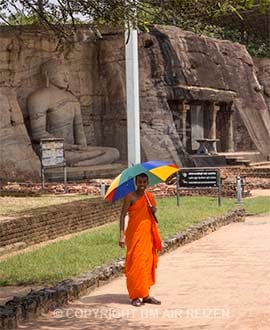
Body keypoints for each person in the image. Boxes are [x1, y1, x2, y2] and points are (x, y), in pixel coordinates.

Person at [27, 57, 120, 167]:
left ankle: (80, 164)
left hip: (74, 150)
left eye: (67, 74)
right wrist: (69, 147)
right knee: (54, 156)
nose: (66, 78)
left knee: (113, 152)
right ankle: (81, 163)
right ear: (48, 75)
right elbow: (38, 134)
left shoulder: (72, 98)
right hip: (51, 149)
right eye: (62, 74)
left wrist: (82, 147)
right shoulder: (39, 97)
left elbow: (79, 132)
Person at [119, 173, 162, 307]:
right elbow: (122, 215)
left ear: (147, 182)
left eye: (144, 182)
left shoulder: (149, 197)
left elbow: (154, 217)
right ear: (136, 182)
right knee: (136, 264)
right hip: (134, 234)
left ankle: (146, 295)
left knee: (146, 264)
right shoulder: (130, 196)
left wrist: (153, 210)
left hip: (147, 235)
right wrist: (121, 235)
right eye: (140, 182)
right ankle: (135, 296)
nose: (142, 184)